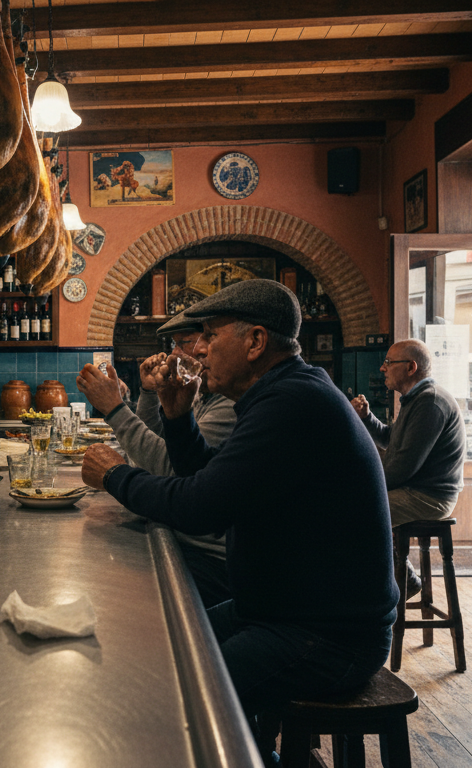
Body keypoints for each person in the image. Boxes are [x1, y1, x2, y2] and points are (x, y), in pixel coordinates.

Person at [81, 280, 396, 760]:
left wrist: (116, 475)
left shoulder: (292, 403)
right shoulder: (281, 393)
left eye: (209, 335)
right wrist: (178, 417)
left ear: (254, 342)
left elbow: (199, 508)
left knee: (177, 696)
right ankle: (251, 748)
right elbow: (214, 484)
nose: (198, 351)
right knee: (167, 652)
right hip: (277, 609)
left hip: (327, 635)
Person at [75, 311, 237, 608]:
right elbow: (160, 443)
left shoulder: (229, 406)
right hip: (183, 537)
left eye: (185, 342)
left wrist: (114, 409)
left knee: (110, 591)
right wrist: (149, 393)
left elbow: (170, 472)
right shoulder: (205, 394)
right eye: (173, 344)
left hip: (210, 558)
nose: (173, 353)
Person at [350, 338, 465, 596]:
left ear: (411, 367)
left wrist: (359, 483)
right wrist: (367, 418)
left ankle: (385, 589)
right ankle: (399, 580)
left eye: (389, 362)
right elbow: (392, 440)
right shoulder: (416, 399)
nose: (383, 368)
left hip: (429, 497)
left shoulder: (430, 402)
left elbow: (402, 468)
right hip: (416, 490)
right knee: (355, 506)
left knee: (355, 510)